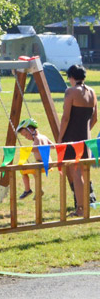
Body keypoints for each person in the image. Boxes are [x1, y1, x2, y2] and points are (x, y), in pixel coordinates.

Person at [59, 64, 97, 216]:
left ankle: (81, 209)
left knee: (76, 174)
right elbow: (95, 118)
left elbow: (65, 118)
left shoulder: (71, 91)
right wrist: (85, 131)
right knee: (84, 173)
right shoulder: (92, 92)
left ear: (71, 77)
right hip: (85, 138)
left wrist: (60, 138)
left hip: (71, 138)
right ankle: (85, 206)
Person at [15, 118, 52, 199]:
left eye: (26, 135)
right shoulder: (43, 137)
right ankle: (39, 189)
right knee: (34, 170)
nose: (26, 137)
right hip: (48, 163)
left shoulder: (37, 138)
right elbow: (53, 146)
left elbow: (37, 148)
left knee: (22, 169)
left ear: (31, 130)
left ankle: (27, 190)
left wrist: (27, 149)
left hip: (41, 163)